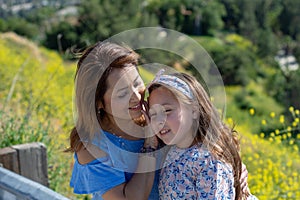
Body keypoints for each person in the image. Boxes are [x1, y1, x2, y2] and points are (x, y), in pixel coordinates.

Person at [67, 41, 252, 200]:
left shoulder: (154, 115)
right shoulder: (93, 146)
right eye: (122, 93)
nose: (136, 96)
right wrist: (149, 145)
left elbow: (202, 139)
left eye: (137, 82)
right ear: (98, 103)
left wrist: (235, 168)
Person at [146, 71, 257, 199]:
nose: (159, 120)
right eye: (153, 114)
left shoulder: (209, 160)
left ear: (194, 110)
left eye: (167, 110)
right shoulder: (171, 149)